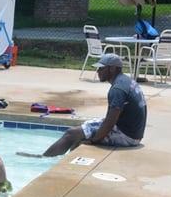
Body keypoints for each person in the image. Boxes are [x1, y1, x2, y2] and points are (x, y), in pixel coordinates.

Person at [18, 53, 147, 157]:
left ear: (112, 69)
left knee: (72, 134)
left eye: (101, 68)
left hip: (127, 136)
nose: (98, 71)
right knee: (79, 134)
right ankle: (61, 162)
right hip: (133, 133)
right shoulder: (126, 81)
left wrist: (94, 140)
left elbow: (109, 123)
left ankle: (42, 158)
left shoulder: (117, 89)